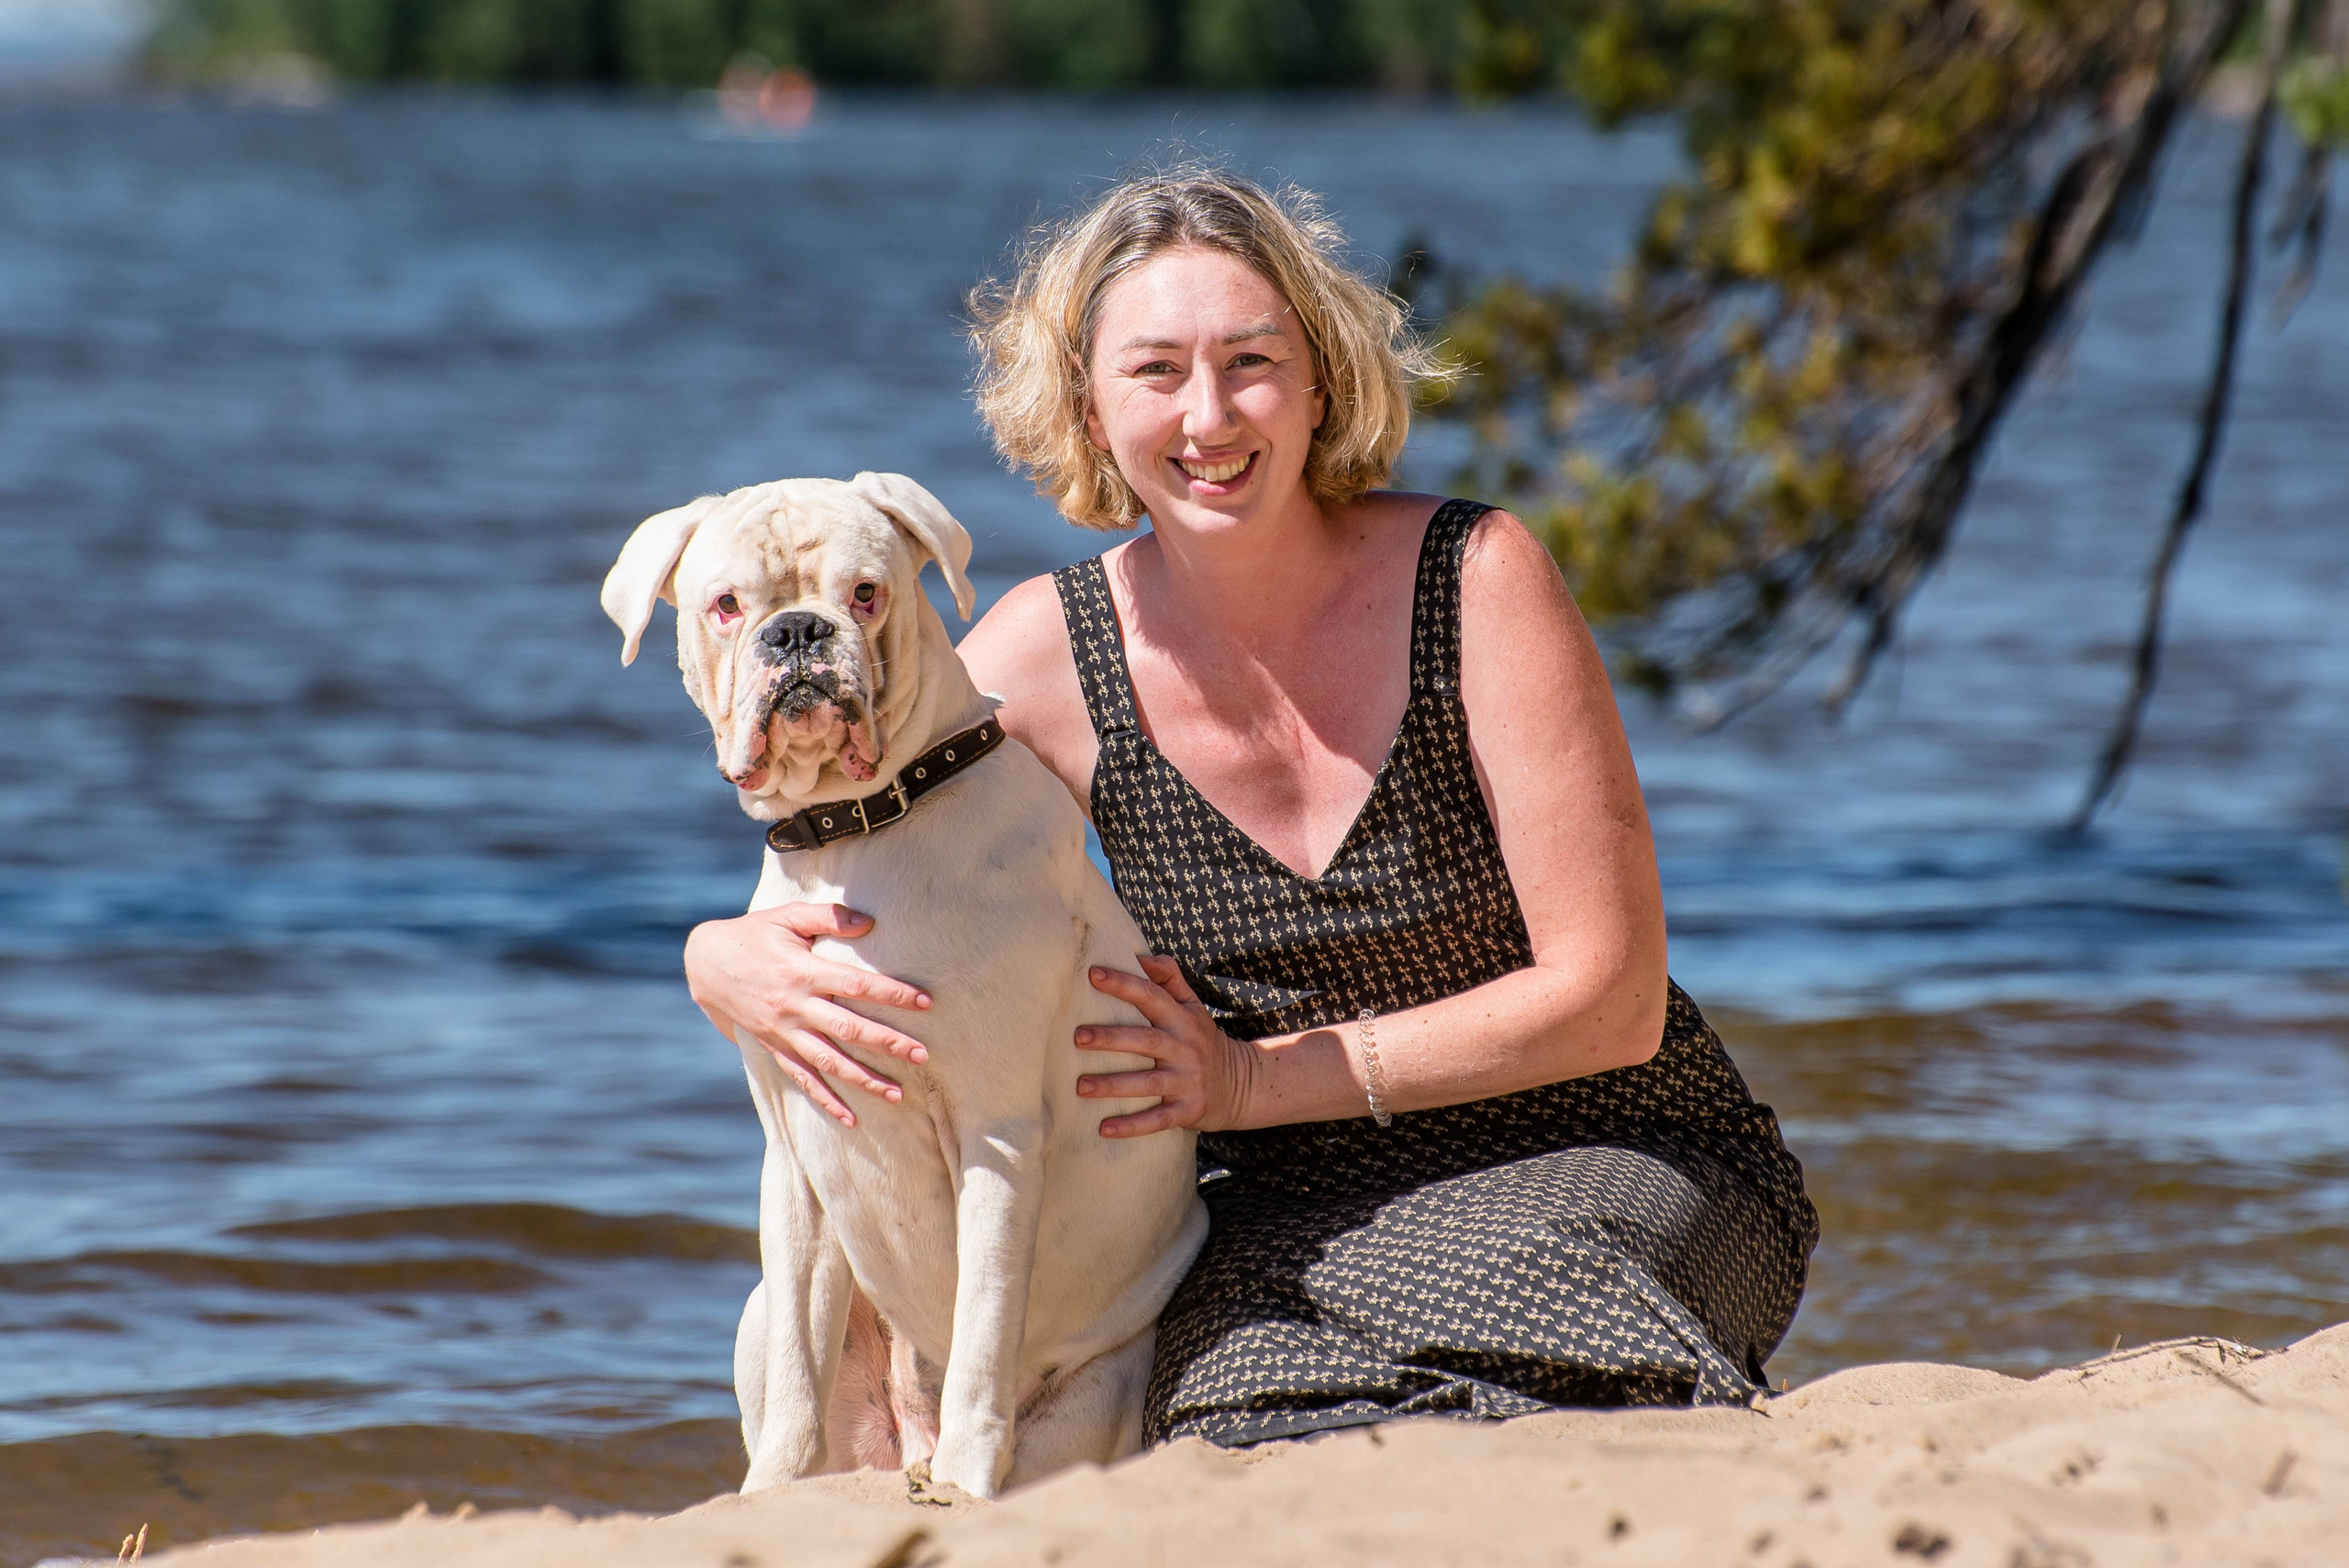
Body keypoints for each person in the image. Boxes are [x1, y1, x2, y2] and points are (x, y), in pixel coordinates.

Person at [683, 165, 1818, 1445]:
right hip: (1274, 1207)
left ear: (1322, 378)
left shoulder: (1477, 580)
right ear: (1089, 406)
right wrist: (719, 960)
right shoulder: (1043, 661)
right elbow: (837, 825)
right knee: (1222, 1409)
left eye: (1252, 361)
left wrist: (1245, 1077)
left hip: (1615, 1143)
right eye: (1157, 370)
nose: (1209, 415)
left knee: (1528, 1298)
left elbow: (1612, 995)